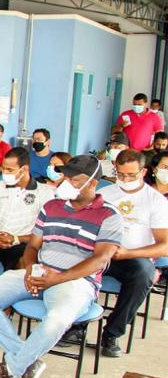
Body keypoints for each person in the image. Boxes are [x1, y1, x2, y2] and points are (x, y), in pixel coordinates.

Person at [0, 155, 122, 378]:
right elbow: (33, 246)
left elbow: (100, 259)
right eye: (66, 177)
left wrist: (58, 278)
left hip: (77, 281)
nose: (67, 182)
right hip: (41, 273)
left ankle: (12, 367)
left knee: (57, 319)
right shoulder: (51, 207)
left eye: (75, 180)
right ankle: (28, 361)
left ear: (93, 183)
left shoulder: (109, 215)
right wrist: (31, 270)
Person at [66, 149, 168, 357]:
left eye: (131, 175)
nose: (126, 179)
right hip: (99, 252)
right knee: (71, 260)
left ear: (143, 171)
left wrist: (128, 253)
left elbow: (164, 245)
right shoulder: (105, 194)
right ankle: (77, 325)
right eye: (121, 174)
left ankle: (112, 334)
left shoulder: (155, 201)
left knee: (143, 274)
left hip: (132, 257)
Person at [0, 147, 54, 271]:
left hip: (22, 243)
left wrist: (15, 239)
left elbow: (46, 232)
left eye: (10, 170)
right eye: (3, 168)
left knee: (23, 263)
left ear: (24, 169)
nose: (5, 173)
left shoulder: (44, 192)